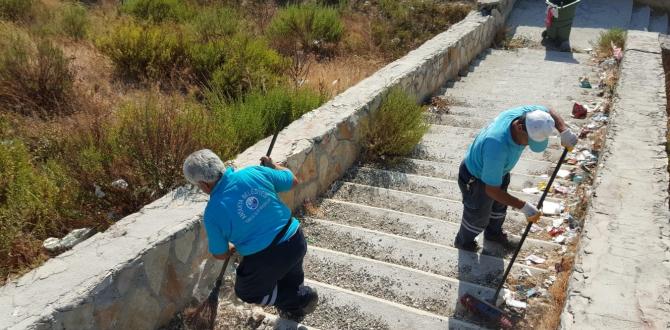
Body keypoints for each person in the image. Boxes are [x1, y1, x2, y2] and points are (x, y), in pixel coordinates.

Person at [182, 149, 318, 322]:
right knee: (292, 272)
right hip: (295, 239)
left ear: (204, 185)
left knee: (247, 292)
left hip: (267, 258)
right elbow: (292, 181)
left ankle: (299, 300)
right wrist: (274, 166)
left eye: (198, 186)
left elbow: (220, 254)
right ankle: (297, 304)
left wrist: (230, 248)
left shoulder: (212, 212)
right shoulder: (254, 172)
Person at [453, 105, 578, 252]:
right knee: (478, 216)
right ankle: (463, 242)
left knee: (499, 208)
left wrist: (563, 130)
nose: (527, 145)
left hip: (499, 171)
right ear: (519, 127)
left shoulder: (528, 116)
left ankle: (493, 234)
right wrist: (523, 206)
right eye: (529, 140)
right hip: (476, 178)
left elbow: (548, 110)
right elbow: (492, 190)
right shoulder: (496, 146)